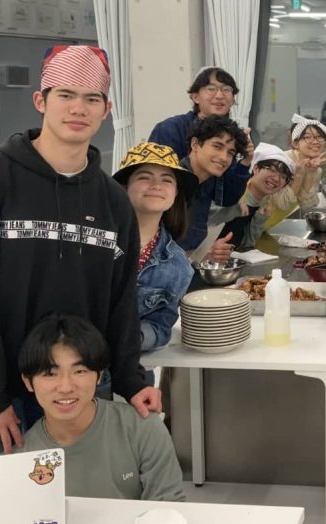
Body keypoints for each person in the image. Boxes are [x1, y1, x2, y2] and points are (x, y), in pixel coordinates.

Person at [0, 44, 160, 460]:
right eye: (65, 95)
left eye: (92, 99)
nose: (78, 108)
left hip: (77, 392)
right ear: (40, 101)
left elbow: (120, 301)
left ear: (106, 110)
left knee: (79, 497)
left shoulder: (113, 202)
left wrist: (131, 379)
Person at [19, 314, 185, 502]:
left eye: (79, 371)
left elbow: (169, 504)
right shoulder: (22, 457)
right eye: (50, 374)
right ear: (28, 382)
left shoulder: (141, 428)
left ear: (99, 376)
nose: (65, 387)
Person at [111, 142, 198, 358]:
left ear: (175, 193)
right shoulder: (92, 240)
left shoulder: (179, 266)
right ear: (124, 187)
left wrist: (134, 338)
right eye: (144, 177)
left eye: (167, 180)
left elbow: (160, 326)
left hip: (129, 366)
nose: (156, 185)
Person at [149, 66, 253, 208]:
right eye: (211, 88)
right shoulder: (170, 129)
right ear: (195, 97)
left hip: (199, 218)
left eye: (226, 89)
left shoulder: (229, 137)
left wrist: (245, 162)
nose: (219, 95)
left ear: (233, 100)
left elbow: (226, 198)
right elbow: (157, 185)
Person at [176, 114, 249, 261]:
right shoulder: (174, 182)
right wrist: (203, 254)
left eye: (230, 153)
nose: (224, 158)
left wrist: (206, 253)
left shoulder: (207, 182)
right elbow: (153, 250)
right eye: (217, 146)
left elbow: (189, 247)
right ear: (195, 144)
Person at [261, 115, 326, 230]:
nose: (315, 142)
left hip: (276, 223)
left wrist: (310, 173)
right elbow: (283, 203)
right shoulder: (280, 163)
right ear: (295, 143)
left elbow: (308, 205)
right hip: (256, 222)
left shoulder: (316, 168)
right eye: (307, 137)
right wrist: (299, 175)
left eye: (319, 136)